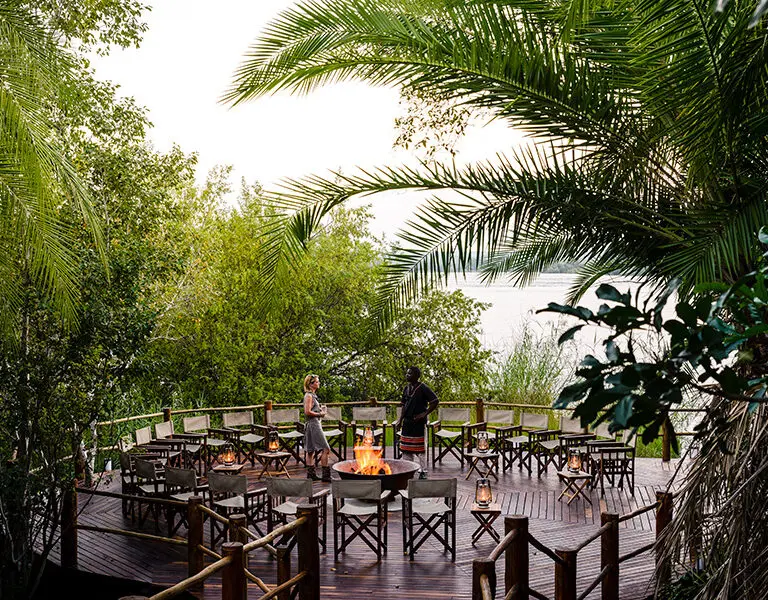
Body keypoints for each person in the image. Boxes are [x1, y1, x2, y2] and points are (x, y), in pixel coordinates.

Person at [395, 366, 438, 479]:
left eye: (410, 373)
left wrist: (424, 413)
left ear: (416, 376)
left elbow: (435, 401)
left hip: (418, 423)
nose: (407, 375)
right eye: (407, 373)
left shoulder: (423, 387)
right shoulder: (406, 388)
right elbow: (403, 405)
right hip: (407, 423)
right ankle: (408, 469)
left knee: (420, 449)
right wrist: (400, 420)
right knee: (406, 449)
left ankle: (423, 471)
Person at [303, 373, 331, 482]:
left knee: (310, 450)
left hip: (313, 424)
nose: (319, 383)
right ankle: (326, 475)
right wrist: (320, 414)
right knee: (326, 448)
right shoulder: (309, 396)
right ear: (310, 384)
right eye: (317, 382)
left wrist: (319, 410)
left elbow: (311, 410)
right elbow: (307, 412)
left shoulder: (312, 396)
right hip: (313, 424)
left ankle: (311, 475)